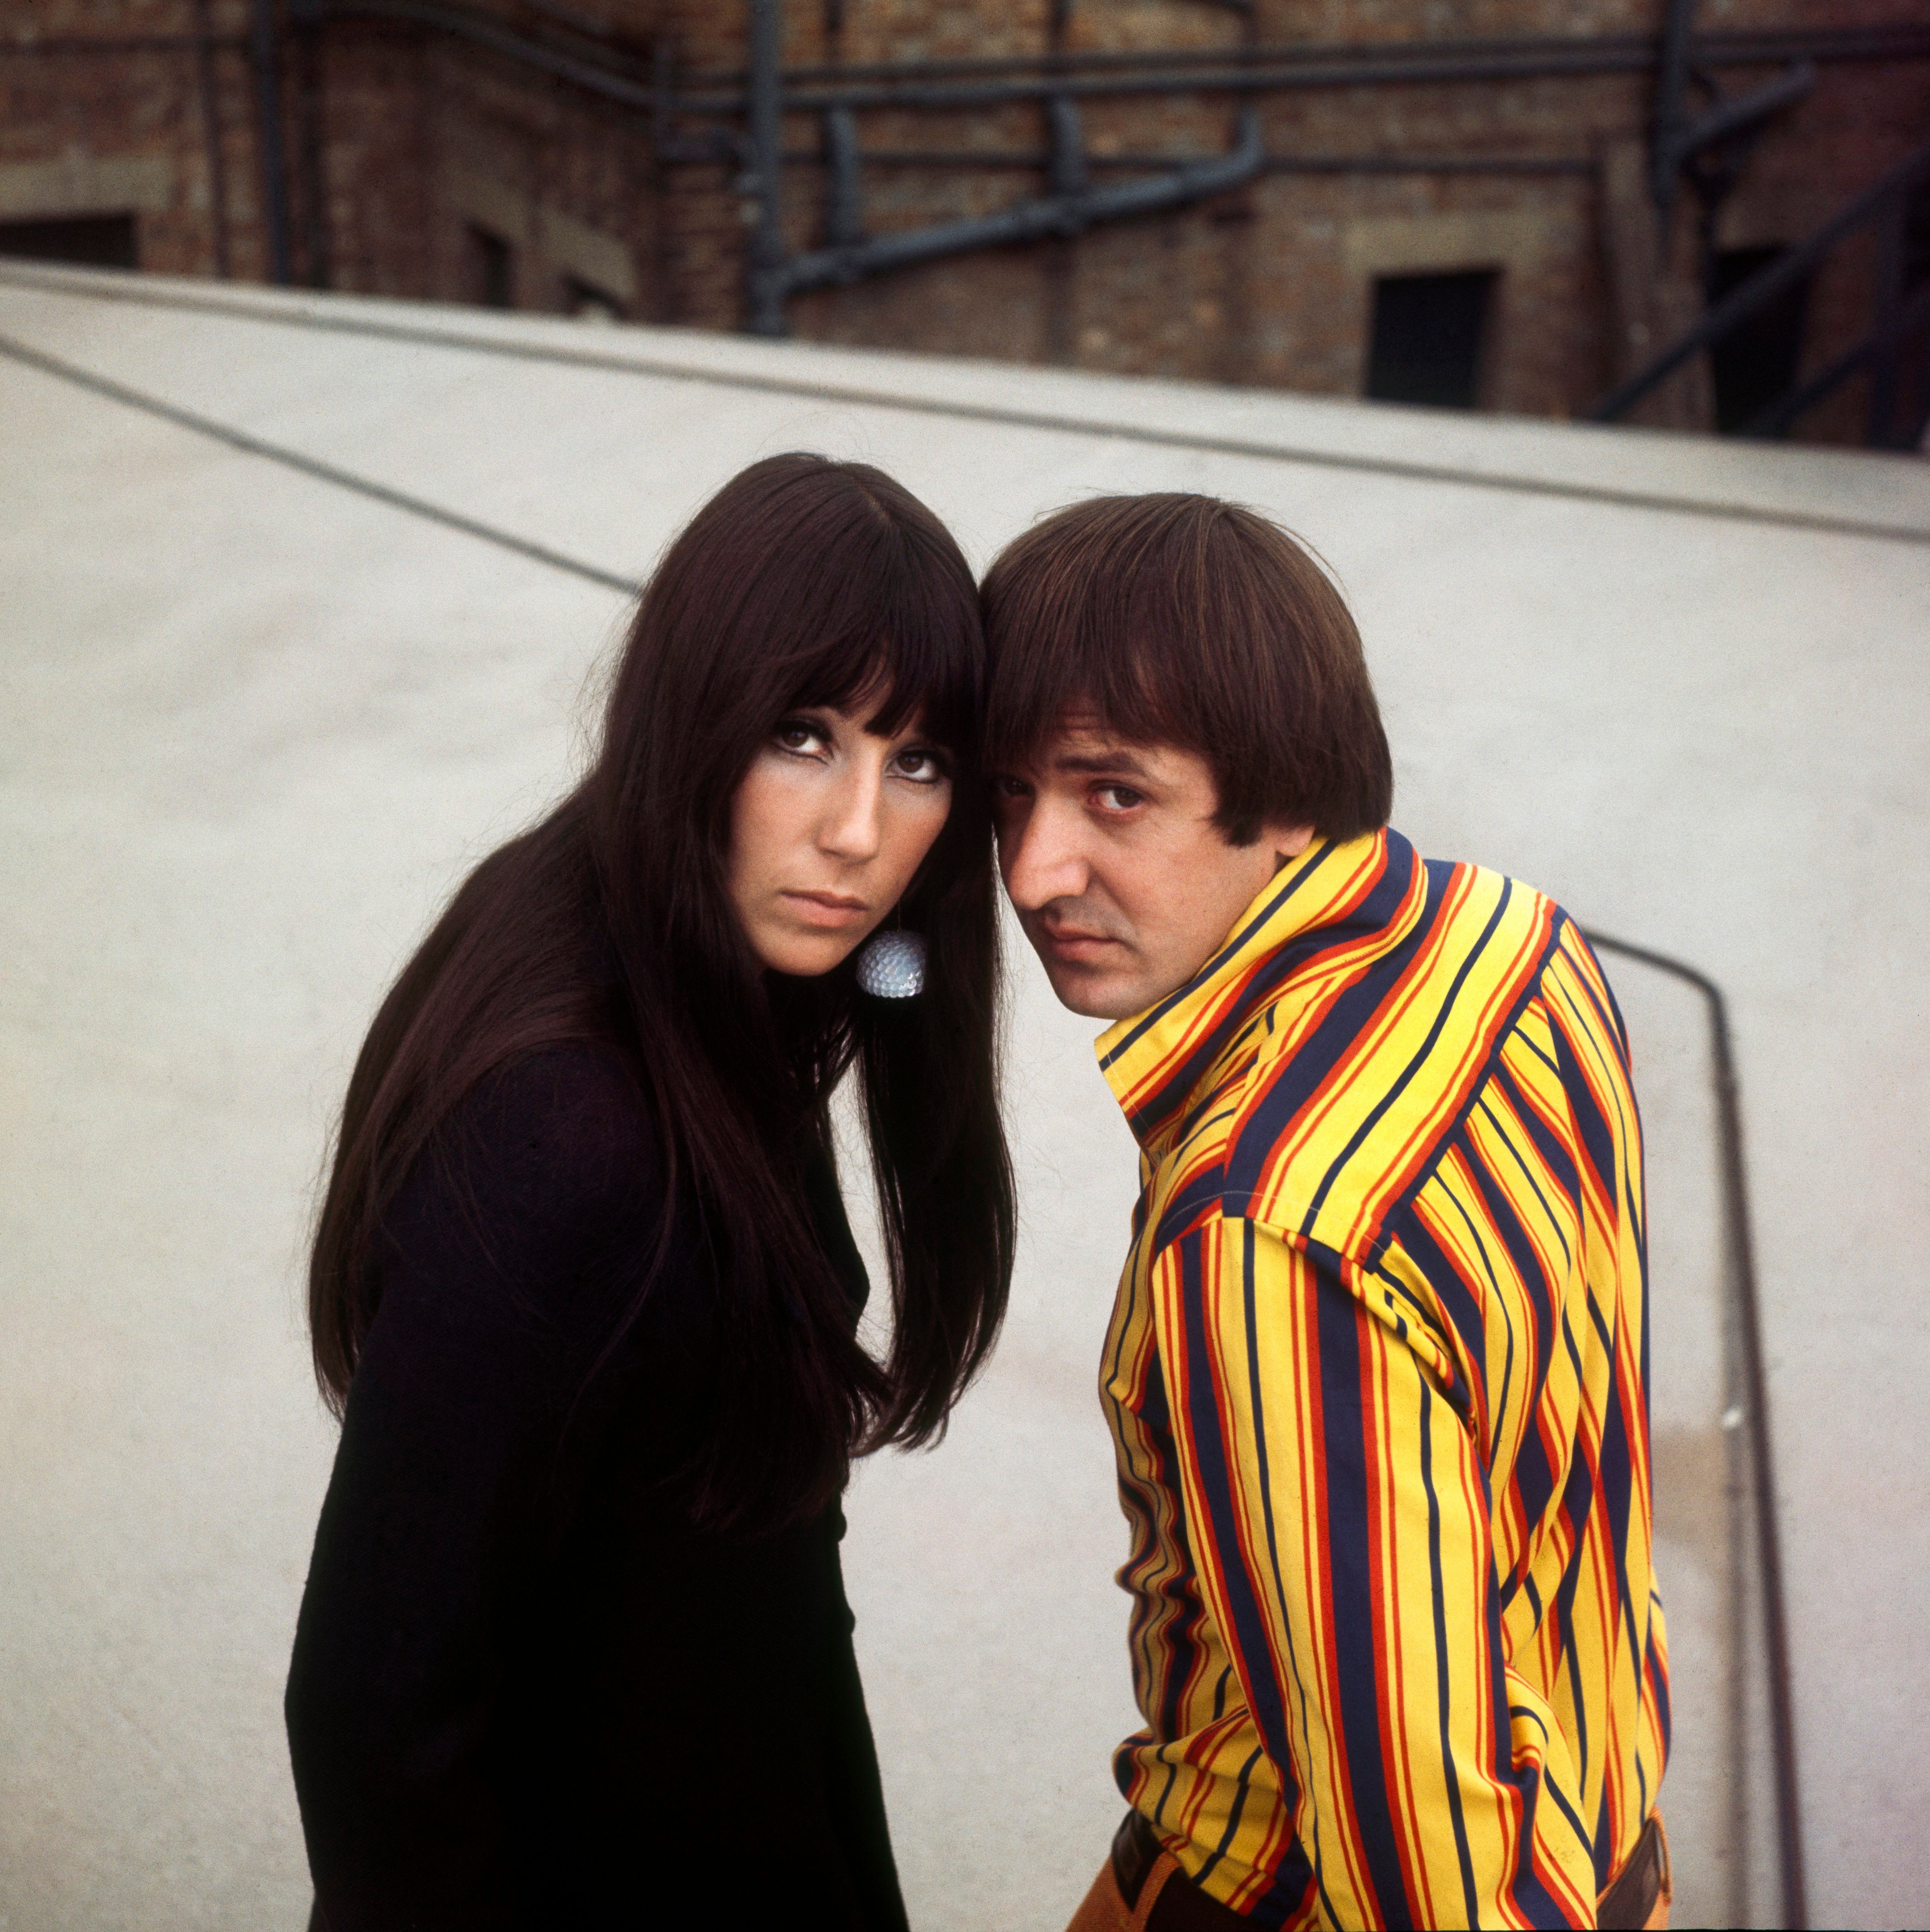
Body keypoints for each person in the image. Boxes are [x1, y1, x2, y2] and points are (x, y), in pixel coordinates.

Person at [286, 453, 1015, 1930]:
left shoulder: (674, 945)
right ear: (694, 717)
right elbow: (371, 1712)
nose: (861, 833)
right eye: (803, 736)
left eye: (918, 760)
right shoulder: (567, 1137)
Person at [982, 494, 1668, 1931]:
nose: (1036, 874)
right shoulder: (1510, 939)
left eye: (1114, 795)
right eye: (1010, 794)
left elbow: (1420, 1855)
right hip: (1607, 1834)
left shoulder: (1265, 1241)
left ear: (1284, 796)